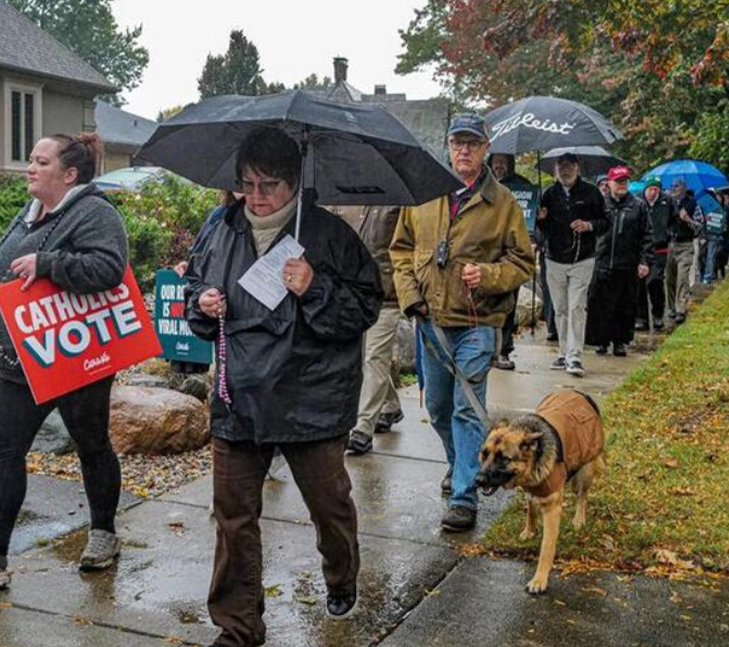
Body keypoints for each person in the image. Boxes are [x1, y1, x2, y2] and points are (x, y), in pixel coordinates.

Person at [185, 127, 382, 646]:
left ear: (294, 183)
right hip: (238, 395)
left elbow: (365, 307)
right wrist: (202, 304)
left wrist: (314, 287)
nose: (257, 196)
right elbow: (193, 295)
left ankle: (341, 573)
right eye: (248, 183)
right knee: (233, 518)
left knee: (329, 504)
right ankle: (239, 626)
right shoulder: (219, 228)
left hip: (309, 397)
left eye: (269, 184)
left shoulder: (329, 235)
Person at [0, 133, 129, 586]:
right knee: (6, 451)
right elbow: (6, 261)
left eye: (40, 162)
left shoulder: (96, 213)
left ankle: (103, 532)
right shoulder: (31, 211)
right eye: (32, 161)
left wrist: (49, 263)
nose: (30, 168)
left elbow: (108, 268)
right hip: (22, 358)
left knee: (92, 445)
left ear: (69, 174)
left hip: (73, 356)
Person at [390, 114, 535, 532]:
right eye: (458, 143)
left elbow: (523, 261)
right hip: (431, 320)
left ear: (486, 148)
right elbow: (400, 250)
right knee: (437, 407)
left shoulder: (502, 202)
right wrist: (410, 296)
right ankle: (462, 465)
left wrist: (488, 276)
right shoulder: (423, 195)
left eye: (472, 143)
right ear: (448, 146)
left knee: (466, 409)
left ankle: (465, 496)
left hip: (478, 322)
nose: (464, 151)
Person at [329, 204, 405, 454]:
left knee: (374, 357)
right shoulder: (338, 201)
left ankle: (362, 429)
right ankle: (390, 405)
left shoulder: (396, 201)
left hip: (387, 294)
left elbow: (407, 244)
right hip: (351, 293)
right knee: (365, 358)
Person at [536, 153, 607, 377]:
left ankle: (575, 356)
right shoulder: (548, 194)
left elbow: (606, 222)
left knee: (577, 306)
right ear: (555, 170)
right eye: (560, 167)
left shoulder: (591, 193)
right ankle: (563, 351)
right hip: (554, 259)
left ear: (577, 168)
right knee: (561, 309)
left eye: (568, 166)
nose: (564, 171)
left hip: (583, 258)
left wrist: (589, 225)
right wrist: (540, 219)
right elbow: (542, 230)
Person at [587, 167, 651, 356]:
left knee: (625, 307)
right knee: (601, 305)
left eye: (625, 181)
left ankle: (620, 341)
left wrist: (644, 261)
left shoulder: (638, 206)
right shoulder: (600, 205)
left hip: (627, 264)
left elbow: (646, 236)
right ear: (609, 183)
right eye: (618, 181)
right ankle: (601, 340)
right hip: (603, 262)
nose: (622, 184)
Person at [489, 152, 537, 370]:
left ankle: (504, 350)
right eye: (496, 161)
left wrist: (538, 221)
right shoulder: (481, 184)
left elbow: (530, 219)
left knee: (508, 304)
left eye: (503, 161)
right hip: (485, 254)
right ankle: (488, 349)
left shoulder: (523, 186)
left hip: (510, 252)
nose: (499, 165)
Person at [635, 176, 676, 331]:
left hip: (660, 247)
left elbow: (674, 219)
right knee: (640, 282)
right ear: (646, 189)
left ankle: (658, 315)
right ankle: (641, 318)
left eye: (656, 189)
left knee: (655, 280)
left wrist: (669, 233)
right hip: (642, 247)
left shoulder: (667, 201)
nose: (653, 192)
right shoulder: (637, 201)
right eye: (650, 189)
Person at [665, 179, 700, 324]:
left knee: (682, 277)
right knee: (669, 278)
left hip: (685, 245)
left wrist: (688, 220)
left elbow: (699, 226)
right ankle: (671, 307)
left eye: (677, 186)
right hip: (670, 244)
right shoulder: (667, 203)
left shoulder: (693, 204)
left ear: (684, 188)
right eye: (672, 186)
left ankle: (681, 309)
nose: (674, 188)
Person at [700, 188, 727, 284]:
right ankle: (706, 276)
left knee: (709, 256)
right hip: (710, 233)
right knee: (706, 255)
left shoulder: (704, 204)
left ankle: (707, 276)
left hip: (710, 234)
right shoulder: (718, 207)